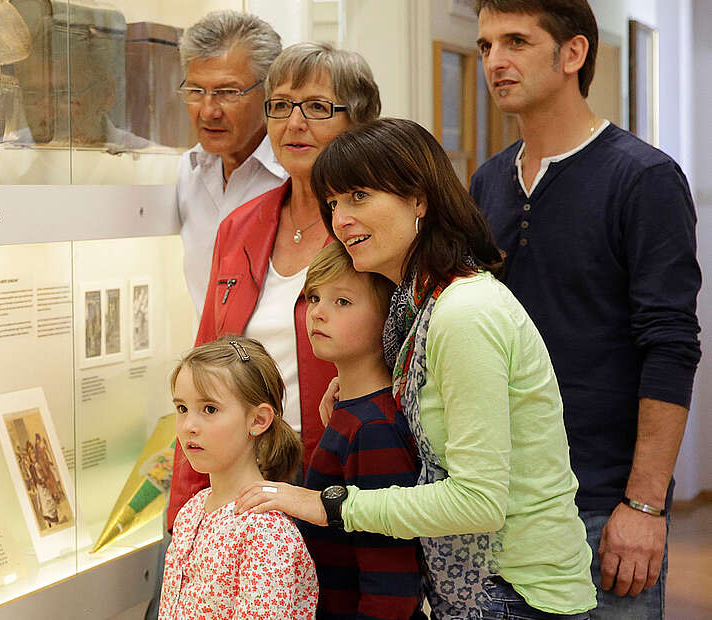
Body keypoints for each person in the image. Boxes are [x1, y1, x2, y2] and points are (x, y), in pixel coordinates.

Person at [236, 118, 595, 620]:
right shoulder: (419, 307)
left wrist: (332, 505)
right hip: (478, 590)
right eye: (334, 203)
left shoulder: (462, 312)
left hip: (515, 594)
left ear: (419, 200)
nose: (341, 220)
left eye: (359, 196)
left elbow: (478, 502)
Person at [468, 2, 700, 617]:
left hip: (602, 505)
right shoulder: (488, 182)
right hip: (499, 502)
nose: (495, 60)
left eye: (515, 40)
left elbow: (671, 345)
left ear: (572, 54)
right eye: (486, 45)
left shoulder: (644, 178)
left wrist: (645, 505)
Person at [170, 41, 382, 532]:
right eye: (281, 106)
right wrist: (184, 505)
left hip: (339, 484)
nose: (294, 123)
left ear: (360, 120)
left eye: (317, 107)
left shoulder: (370, 231)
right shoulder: (241, 224)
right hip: (238, 488)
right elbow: (205, 364)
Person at [299, 243, 423, 620]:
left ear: (387, 319)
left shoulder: (373, 428)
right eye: (314, 297)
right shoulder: (349, 412)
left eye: (343, 302)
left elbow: (391, 588)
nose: (318, 313)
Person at [162, 336, 317, 620]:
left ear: (258, 420)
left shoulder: (266, 533)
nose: (189, 427)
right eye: (182, 409)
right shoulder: (191, 512)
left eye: (209, 409)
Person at [175, 10, 287, 316]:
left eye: (227, 93)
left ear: (269, 91)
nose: (209, 110)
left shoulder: (294, 176)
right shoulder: (189, 171)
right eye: (196, 91)